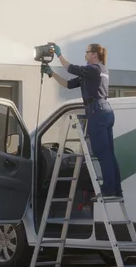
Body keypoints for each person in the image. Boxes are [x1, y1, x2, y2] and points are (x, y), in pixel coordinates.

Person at [43, 42, 122, 198]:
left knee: (101, 153)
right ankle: (116, 189)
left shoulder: (94, 69)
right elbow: (68, 84)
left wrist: (59, 55)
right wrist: (51, 73)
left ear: (94, 54)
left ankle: (108, 190)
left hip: (96, 111)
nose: (85, 55)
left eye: (87, 52)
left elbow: (71, 68)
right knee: (109, 154)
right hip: (104, 110)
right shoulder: (98, 71)